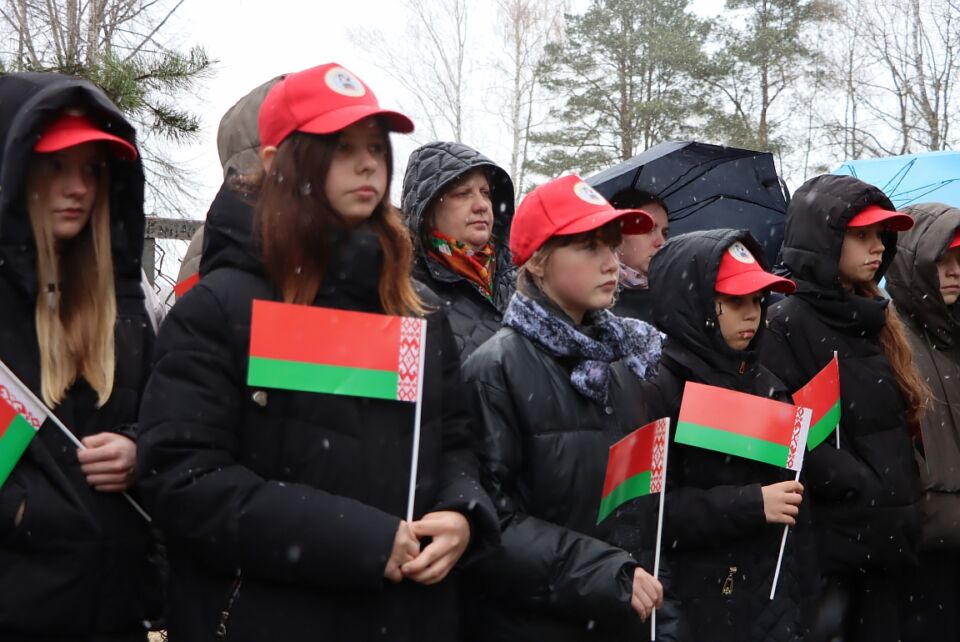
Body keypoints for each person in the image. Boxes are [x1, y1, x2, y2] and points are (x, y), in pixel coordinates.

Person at [136, 63, 499, 642]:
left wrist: (461, 513)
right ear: (280, 163)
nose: (367, 164)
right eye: (339, 147)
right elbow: (183, 480)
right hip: (271, 617)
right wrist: (356, 539)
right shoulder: (222, 308)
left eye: (377, 147)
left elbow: (454, 441)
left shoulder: (417, 314)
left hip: (409, 618)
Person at [461, 174, 664, 641]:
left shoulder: (620, 363)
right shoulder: (496, 369)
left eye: (612, 246)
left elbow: (641, 509)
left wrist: (660, 614)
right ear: (537, 260)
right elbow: (490, 524)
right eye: (589, 246)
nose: (610, 262)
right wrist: (605, 573)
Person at [0, 72, 162, 640]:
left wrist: (141, 448)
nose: (78, 188)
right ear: (17, 171)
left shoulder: (127, 308)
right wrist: (26, 513)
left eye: (92, 169)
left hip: (114, 611)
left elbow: (174, 417)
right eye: (56, 166)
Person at [761, 174, 925, 642]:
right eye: (861, 235)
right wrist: (859, 487)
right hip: (833, 553)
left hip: (887, 546)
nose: (876, 247)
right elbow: (793, 435)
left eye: (880, 236)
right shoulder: (786, 322)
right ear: (824, 239)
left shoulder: (873, 316)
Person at [641, 229, 816, 641]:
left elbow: (795, 513)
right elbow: (648, 515)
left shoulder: (770, 385)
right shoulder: (658, 391)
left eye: (757, 300)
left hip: (771, 606)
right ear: (698, 303)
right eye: (735, 301)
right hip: (701, 606)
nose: (753, 314)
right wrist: (750, 504)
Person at [885, 203, 960, 641]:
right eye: (941, 260)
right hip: (922, 554)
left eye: (959, 260)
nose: (953, 271)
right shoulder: (891, 340)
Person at [401, 142, 515, 361]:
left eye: (485, 193)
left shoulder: (523, 281)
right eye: (463, 193)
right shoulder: (404, 292)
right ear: (427, 211)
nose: (481, 205)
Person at [608, 189, 669, 323]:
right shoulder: (598, 305)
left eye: (665, 233)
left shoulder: (677, 295)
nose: (661, 243)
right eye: (648, 229)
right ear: (616, 236)